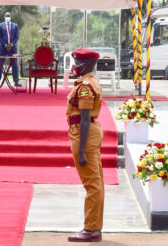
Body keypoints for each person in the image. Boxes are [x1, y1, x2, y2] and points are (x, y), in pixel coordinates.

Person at [66, 48, 104, 242]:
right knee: (96, 183)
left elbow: (85, 119)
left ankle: (91, 229)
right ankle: (94, 228)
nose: (75, 66)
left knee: (92, 185)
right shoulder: (88, 83)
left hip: (84, 135)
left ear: (86, 65)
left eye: (77, 62)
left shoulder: (85, 87)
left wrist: (81, 151)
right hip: (88, 134)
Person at [0, 12, 21, 87]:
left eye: (9, 16)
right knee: (0, 64)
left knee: (14, 64)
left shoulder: (15, 26)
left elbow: (17, 37)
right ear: (4, 17)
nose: (7, 17)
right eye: (6, 16)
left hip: (13, 48)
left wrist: (11, 44)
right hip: (3, 48)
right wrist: (6, 45)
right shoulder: (0, 26)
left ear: (11, 17)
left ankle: (16, 81)